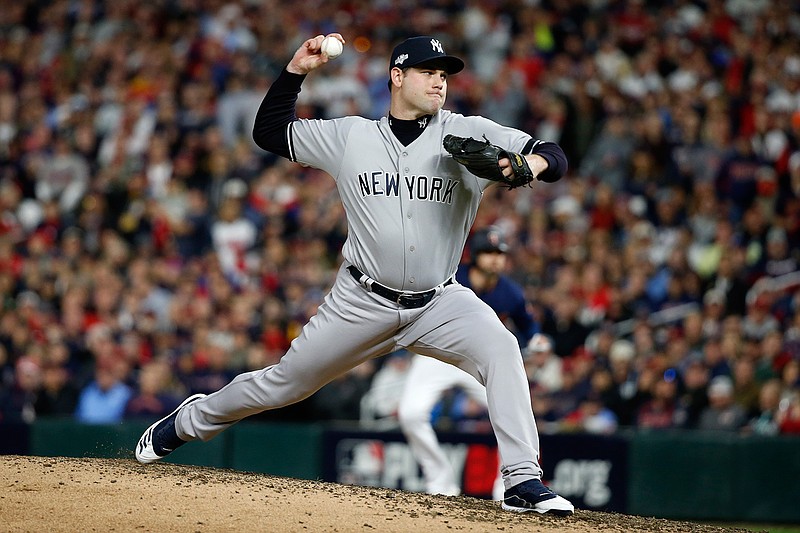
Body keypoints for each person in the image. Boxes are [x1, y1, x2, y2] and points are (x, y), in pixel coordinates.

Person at [135, 33, 573, 516]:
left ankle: (521, 480)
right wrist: (296, 70)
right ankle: (189, 421)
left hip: (439, 302)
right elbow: (269, 132)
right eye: (428, 71)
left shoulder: (465, 132)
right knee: (283, 384)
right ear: (397, 77)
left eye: (444, 74)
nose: (439, 82)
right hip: (361, 300)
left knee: (502, 348)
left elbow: (554, 154)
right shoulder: (351, 138)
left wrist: (525, 165)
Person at [397, 227, 535, 498]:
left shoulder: (511, 294)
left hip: (478, 364)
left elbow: (530, 329)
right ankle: (441, 483)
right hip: (437, 356)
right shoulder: (450, 278)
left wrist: (537, 341)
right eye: (488, 252)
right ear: (474, 255)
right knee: (410, 414)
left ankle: (509, 485)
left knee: (514, 413)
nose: (495, 259)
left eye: (499, 253)